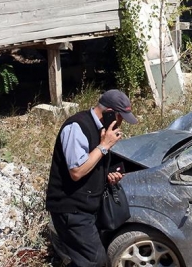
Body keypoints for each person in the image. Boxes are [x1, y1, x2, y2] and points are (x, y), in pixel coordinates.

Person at [46, 89, 139, 267]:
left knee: (90, 260)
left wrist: (108, 174)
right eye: (120, 117)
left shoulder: (102, 130)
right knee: (94, 261)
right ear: (110, 113)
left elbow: (93, 163)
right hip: (71, 209)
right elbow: (77, 171)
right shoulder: (77, 127)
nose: (121, 123)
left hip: (89, 208)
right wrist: (104, 146)